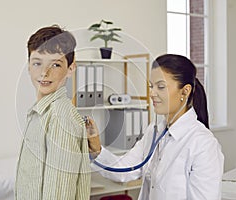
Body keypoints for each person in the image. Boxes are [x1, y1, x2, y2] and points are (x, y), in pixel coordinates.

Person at [86, 54, 224, 199]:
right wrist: (97, 149)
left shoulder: (203, 144)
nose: (152, 93)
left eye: (161, 87)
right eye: (151, 86)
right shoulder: (155, 130)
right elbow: (125, 169)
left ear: (185, 91)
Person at [15, 25, 90, 200]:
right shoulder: (39, 112)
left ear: (71, 68)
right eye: (37, 63)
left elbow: (59, 194)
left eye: (55, 64)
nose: (44, 72)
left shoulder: (60, 117)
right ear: (28, 66)